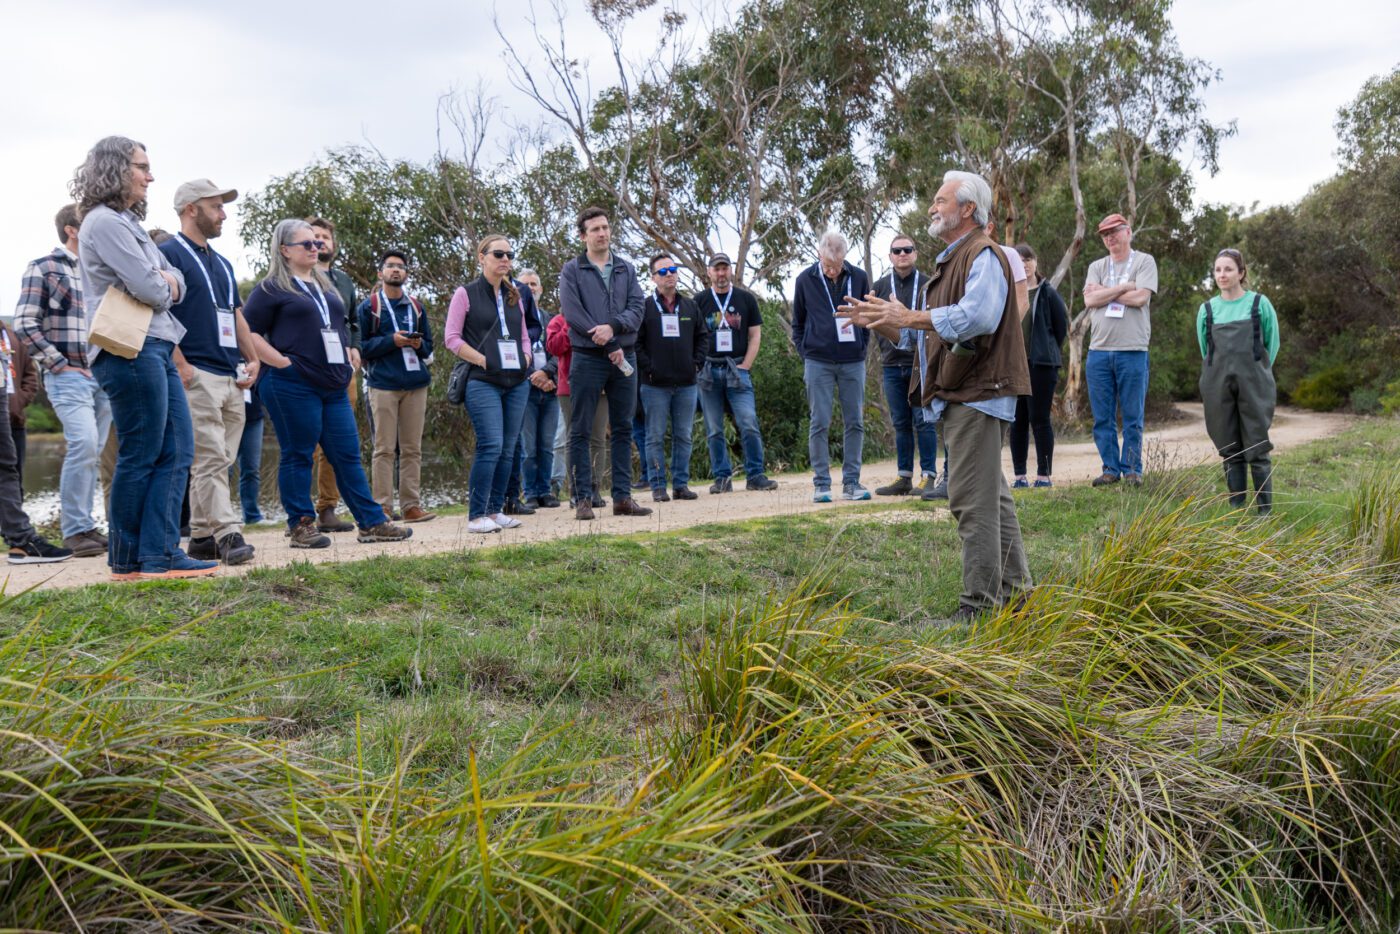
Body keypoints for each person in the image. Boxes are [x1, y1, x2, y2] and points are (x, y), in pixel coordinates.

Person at [839, 169, 1032, 622]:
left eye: (941, 200)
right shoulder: (952, 260)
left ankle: (977, 608)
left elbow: (977, 317)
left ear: (967, 209)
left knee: (968, 499)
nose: (932, 207)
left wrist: (908, 317)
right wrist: (884, 320)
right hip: (964, 393)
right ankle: (1019, 599)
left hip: (978, 393)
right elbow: (925, 339)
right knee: (992, 498)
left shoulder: (983, 254)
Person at [71, 136, 217, 579]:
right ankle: (131, 555)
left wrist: (165, 280)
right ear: (116, 168)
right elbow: (155, 288)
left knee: (176, 448)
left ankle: (156, 552)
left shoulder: (125, 222)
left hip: (153, 344)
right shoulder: (105, 224)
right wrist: (165, 281)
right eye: (142, 166)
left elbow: (173, 279)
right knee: (143, 450)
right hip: (128, 349)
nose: (149, 176)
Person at [243, 219, 412, 548]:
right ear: (284, 250)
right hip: (292, 382)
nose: (315, 248)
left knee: (347, 454)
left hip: (333, 383)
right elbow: (247, 331)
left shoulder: (326, 284)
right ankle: (301, 525)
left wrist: (350, 347)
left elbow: (343, 321)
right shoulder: (271, 287)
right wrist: (279, 361)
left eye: (317, 243)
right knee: (298, 454)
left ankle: (371, 522)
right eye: (306, 244)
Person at [161, 179, 259, 566]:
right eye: (216, 207)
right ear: (191, 209)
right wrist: (181, 364)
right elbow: (159, 312)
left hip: (232, 373)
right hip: (197, 372)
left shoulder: (222, 262)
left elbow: (236, 314)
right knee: (210, 459)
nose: (223, 214)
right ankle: (228, 533)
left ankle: (200, 536)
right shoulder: (167, 253)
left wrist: (254, 358)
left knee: (219, 461)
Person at [13, 203, 111, 558]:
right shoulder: (45, 267)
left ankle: (85, 526)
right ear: (72, 229)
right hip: (68, 375)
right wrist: (58, 364)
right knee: (84, 444)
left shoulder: (102, 271)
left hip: (104, 372)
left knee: (94, 451)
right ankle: (73, 531)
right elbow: (24, 323)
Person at [557, 207, 652, 520]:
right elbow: (573, 314)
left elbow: (637, 308)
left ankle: (623, 497)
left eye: (605, 227)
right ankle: (583, 498)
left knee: (623, 427)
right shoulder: (573, 270)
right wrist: (607, 340)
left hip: (624, 358)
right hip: (587, 358)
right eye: (595, 229)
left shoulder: (626, 269)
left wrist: (613, 327)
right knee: (580, 430)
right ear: (583, 236)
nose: (602, 233)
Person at [445, 235, 536, 534]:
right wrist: (483, 360)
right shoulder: (466, 293)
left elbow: (524, 334)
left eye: (510, 254)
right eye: (498, 254)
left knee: (509, 449)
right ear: (481, 257)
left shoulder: (515, 294)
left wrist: (525, 357)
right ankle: (476, 515)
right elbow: (452, 339)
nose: (505, 259)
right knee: (491, 445)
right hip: (483, 380)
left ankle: (495, 510)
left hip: (516, 381)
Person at [1197, 248, 1280, 515]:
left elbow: (1271, 343)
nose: (1222, 274)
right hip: (1217, 380)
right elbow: (1204, 348)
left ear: (1241, 273)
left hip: (1254, 379)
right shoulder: (1207, 309)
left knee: (1256, 443)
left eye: (1229, 269)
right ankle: (1236, 507)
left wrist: (1258, 371)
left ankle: (1264, 511)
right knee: (1229, 444)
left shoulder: (1259, 304)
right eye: (1218, 270)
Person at [792, 230, 871, 502]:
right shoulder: (805, 280)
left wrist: (862, 346)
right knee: (820, 422)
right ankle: (821, 484)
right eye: (827, 265)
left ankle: (852, 483)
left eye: (837, 266)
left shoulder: (859, 277)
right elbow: (798, 323)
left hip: (852, 361)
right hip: (818, 362)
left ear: (845, 258)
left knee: (855, 422)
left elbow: (868, 317)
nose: (832, 271)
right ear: (818, 254)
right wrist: (807, 352)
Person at [357, 250, 436, 523]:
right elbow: (361, 347)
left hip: (416, 384)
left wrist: (417, 343)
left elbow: (429, 347)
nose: (396, 270)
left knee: (413, 448)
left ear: (406, 274)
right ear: (381, 273)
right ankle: (382, 507)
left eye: (401, 267)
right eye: (390, 266)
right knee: (384, 448)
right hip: (383, 385)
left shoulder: (416, 306)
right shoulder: (369, 307)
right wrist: (392, 341)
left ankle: (411, 506)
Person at [1083, 213, 1158, 487]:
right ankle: (1110, 469)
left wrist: (1107, 291)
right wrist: (1124, 286)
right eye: (1105, 234)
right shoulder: (1097, 266)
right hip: (1099, 352)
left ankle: (1132, 470)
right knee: (1102, 417)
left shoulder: (1144, 261)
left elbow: (1140, 298)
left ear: (1128, 232)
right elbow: (1091, 300)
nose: (1110, 237)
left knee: (1132, 416)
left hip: (1133, 350)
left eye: (1115, 231)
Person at [693, 254, 778, 493]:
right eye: (716, 269)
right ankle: (722, 478)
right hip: (708, 371)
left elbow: (755, 335)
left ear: (730, 271)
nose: (721, 274)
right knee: (714, 428)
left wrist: (746, 365)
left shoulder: (745, 299)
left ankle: (756, 476)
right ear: (709, 272)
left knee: (748, 422)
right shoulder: (699, 301)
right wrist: (697, 365)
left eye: (724, 269)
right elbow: (691, 337)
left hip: (737, 369)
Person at [304, 216, 362, 532]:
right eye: (313, 236)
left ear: (333, 244)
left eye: (325, 236)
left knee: (336, 444)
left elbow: (354, 320)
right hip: (305, 371)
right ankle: (298, 514)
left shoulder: (344, 281)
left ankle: (327, 509)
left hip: (341, 371)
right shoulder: (294, 278)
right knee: (303, 443)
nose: (320, 241)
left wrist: (355, 346)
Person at [871, 235, 940, 497]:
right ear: (890, 256)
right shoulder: (878, 286)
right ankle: (904, 477)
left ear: (915, 253)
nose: (902, 254)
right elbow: (874, 320)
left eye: (907, 249)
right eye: (896, 250)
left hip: (920, 364)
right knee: (900, 422)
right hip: (891, 364)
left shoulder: (927, 284)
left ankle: (929, 476)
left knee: (924, 420)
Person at [637, 254, 709, 501]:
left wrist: (696, 363)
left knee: (684, 435)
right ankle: (657, 486)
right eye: (663, 271)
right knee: (654, 436)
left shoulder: (690, 306)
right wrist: (649, 367)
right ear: (653, 277)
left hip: (687, 384)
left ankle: (680, 484)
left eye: (672, 269)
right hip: (654, 385)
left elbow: (703, 337)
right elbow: (635, 343)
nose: (669, 274)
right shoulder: (645, 307)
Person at [1009, 243, 1068, 489]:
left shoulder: (1047, 292)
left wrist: (1046, 351)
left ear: (1036, 262)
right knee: (1017, 420)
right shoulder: (1008, 292)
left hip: (1042, 365)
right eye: (1019, 260)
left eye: (1028, 259)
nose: (1024, 264)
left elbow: (1060, 327)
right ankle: (1019, 476)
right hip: (1014, 364)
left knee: (1039, 418)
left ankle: (1044, 475)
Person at [545, 301, 609, 507]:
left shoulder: (600, 317)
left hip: (600, 387)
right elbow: (554, 347)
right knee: (575, 437)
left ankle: (595, 488)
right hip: (569, 388)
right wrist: (570, 324)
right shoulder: (558, 321)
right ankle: (576, 490)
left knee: (598, 437)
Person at [514, 268, 561, 509]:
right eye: (526, 284)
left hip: (551, 389)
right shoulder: (514, 318)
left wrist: (548, 374)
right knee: (528, 447)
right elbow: (512, 353)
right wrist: (534, 376)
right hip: (525, 390)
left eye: (534, 284)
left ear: (541, 289)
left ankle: (545, 491)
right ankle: (530, 492)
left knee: (546, 445)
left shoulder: (551, 318)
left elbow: (560, 352)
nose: (531, 288)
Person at [1, 320, 38, 487]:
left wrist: (18, 402)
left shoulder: (13, 336)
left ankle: (17, 511)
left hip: (14, 420)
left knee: (15, 475)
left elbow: (31, 376)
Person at [233, 384, 265, 524]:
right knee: (222, 470)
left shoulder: (254, 361)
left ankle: (252, 516)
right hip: (227, 417)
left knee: (251, 469)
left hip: (253, 418)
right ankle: (220, 517)